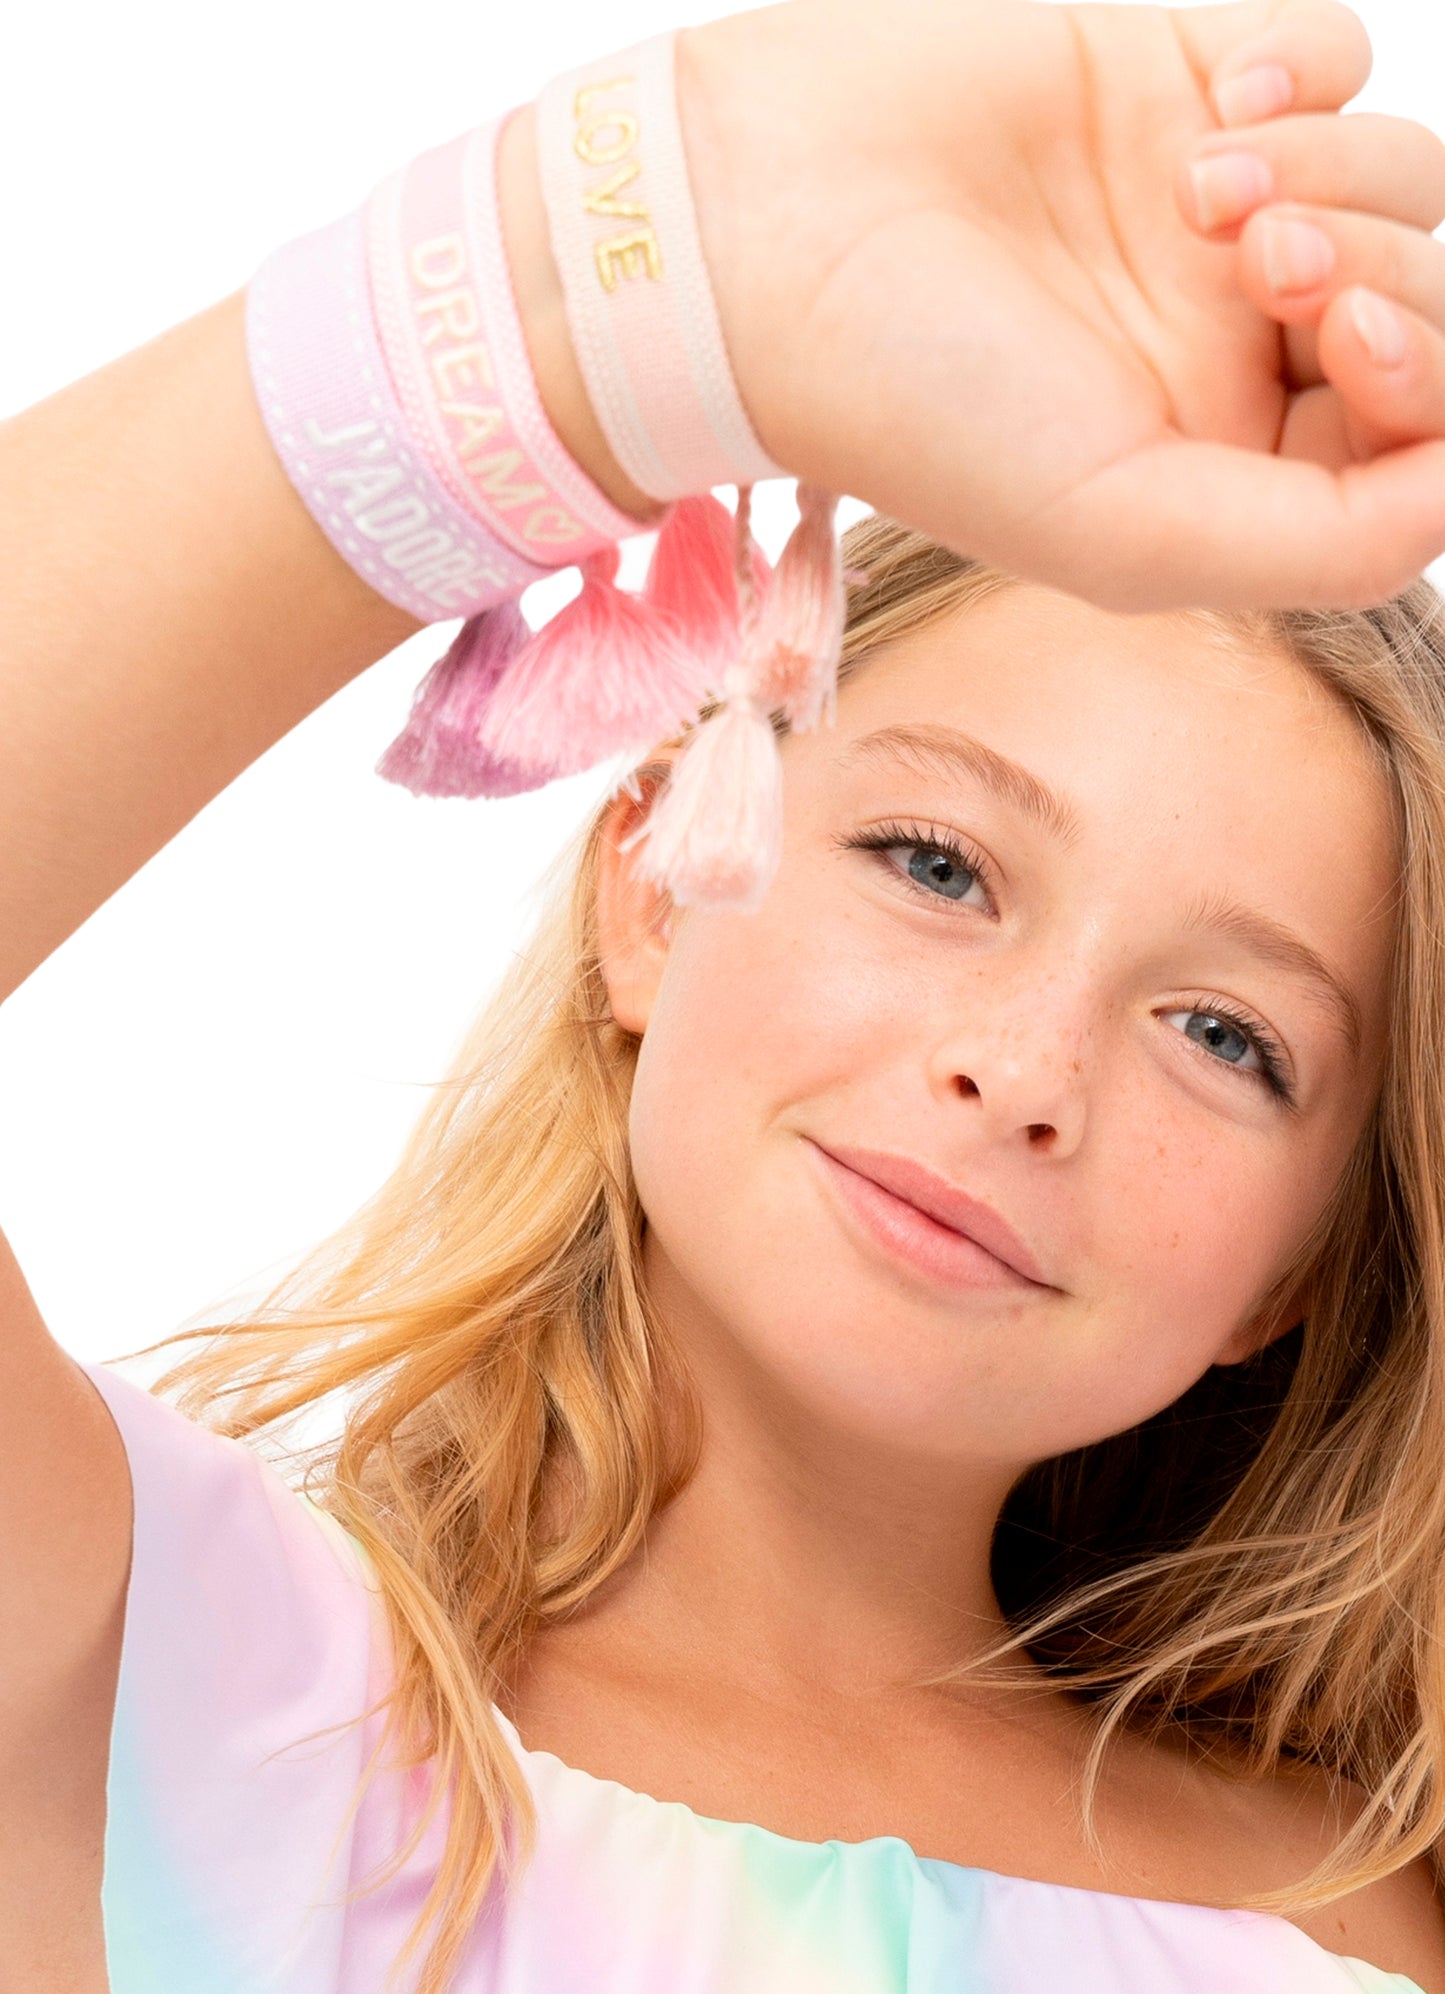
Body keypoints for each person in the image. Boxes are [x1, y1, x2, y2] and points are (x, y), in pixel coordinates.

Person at [7, 0, 1445, 1989]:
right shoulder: (162, 1686)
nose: (1024, 1071)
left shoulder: (1361, 1916)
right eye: (937, 864)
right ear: (659, 884)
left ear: (1297, 1265)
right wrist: (640, 284)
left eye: (1229, 1036)